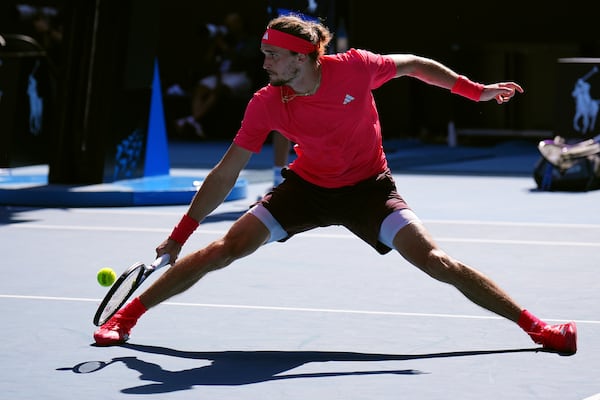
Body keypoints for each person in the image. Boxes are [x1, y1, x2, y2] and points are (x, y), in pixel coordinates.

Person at [94, 15, 577, 354]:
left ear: (302, 58)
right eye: (263, 54)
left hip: (370, 188)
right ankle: (126, 317)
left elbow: (413, 64)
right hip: (305, 187)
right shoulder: (266, 102)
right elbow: (226, 171)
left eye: (272, 56)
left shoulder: (355, 67)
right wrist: (179, 236)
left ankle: (536, 328)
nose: (263, 63)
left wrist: (473, 91)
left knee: (436, 260)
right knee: (226, 247)